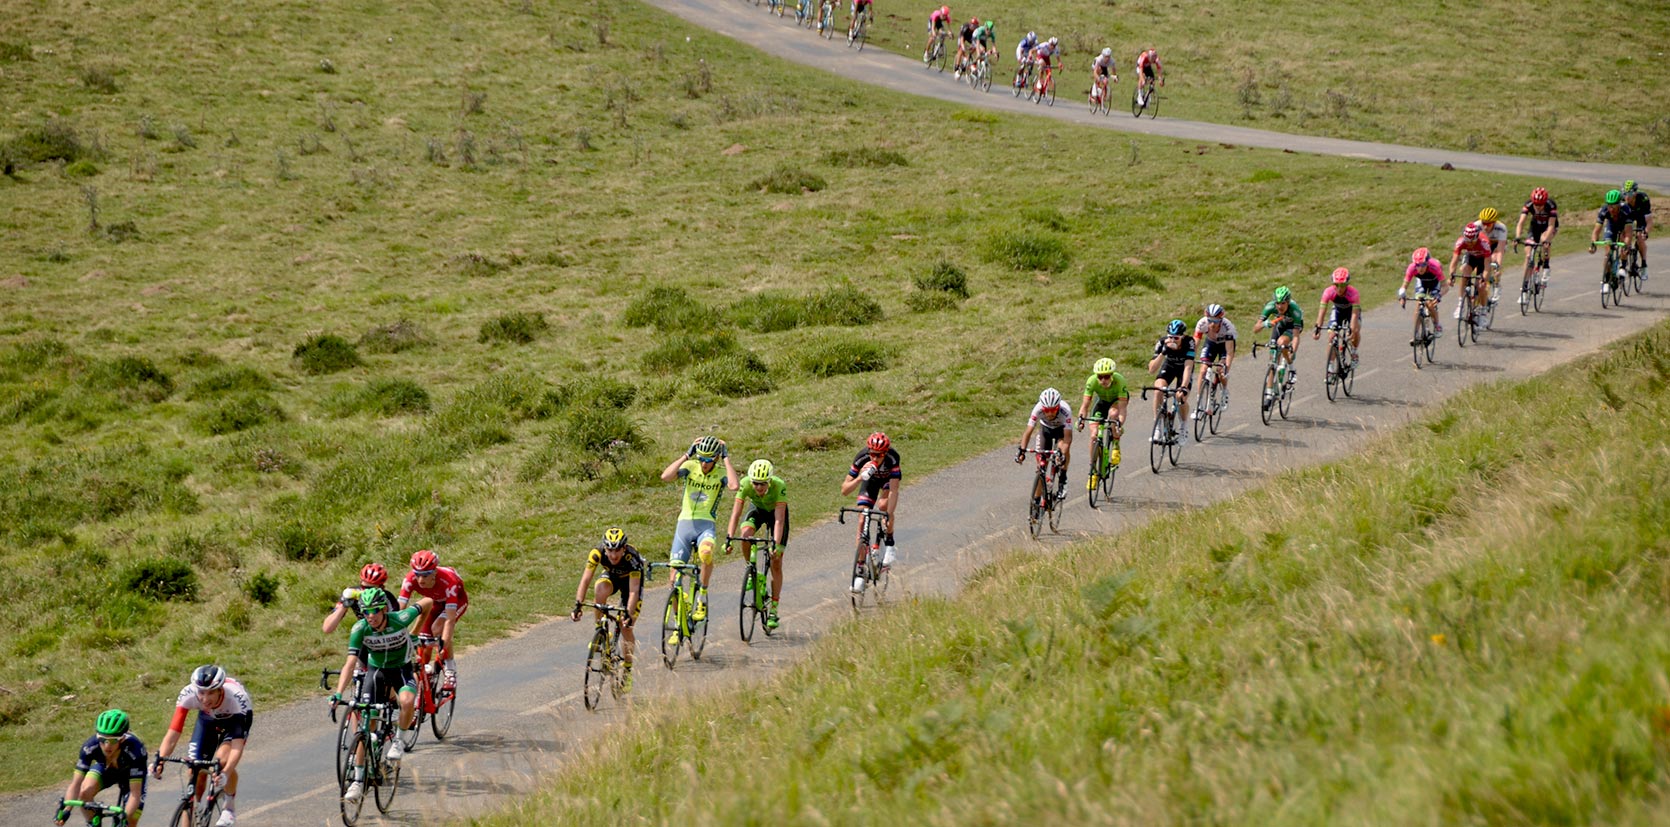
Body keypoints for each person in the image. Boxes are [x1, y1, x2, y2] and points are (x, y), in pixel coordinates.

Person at [332, 590, 432, 804]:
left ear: (384, 609)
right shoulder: (360, 629)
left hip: (401, 670)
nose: (371, 616)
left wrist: (415, 633)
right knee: (365, 726)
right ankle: (358, 781)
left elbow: (428, 601)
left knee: (406, 701)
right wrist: (339, 692)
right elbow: (349, 663)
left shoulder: (400, 619)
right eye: (367, 612)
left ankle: (398, 740)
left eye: (376, 610)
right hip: (376, 673)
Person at [152, 666, 251, 827]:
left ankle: (229, 807)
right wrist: (160, 761)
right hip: (208, 720)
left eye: (211, 692)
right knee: (194, 769)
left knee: (222, 761)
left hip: (234, 721)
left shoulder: (236, 699)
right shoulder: (188, 694)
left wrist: (225, 773)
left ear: (220, 690)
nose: (205, 699)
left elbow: (237, 746)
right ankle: (193, 810)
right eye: (201, 692)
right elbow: (173, 733)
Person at [659, 436, 738, 624]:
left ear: (716, 459)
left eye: (709, 460)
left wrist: (726, 458)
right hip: (684, 525)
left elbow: (734, 486)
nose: (704, 463)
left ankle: (701, 595)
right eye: (701, 458)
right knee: (674, 579)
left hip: (706, 525)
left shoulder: (720, 473)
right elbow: (665, 476)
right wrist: (687, 454)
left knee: (706, 554)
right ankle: (680, 625)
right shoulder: (691, 467)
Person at [570, 528, 644, 689]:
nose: (613, 555)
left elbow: (633, 591)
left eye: (617, 550)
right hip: (612, 577)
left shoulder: (633, 559)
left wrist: (628, 614)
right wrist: (578, 605)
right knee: (599, 589)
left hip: (630, 586)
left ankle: (628, 670)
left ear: (624, 549)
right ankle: (600, 630)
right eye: (610, 550)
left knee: (626, 627)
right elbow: (585, 580)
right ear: (605, 548)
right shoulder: (597, 553)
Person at [726, 459, 790, 630]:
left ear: (769, 481)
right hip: (758, 511)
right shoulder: (745, 484)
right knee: (745, 535)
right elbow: (735, 514)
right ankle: (752, 570)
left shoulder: (779, 486)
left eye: (762, 484)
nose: (759, 488)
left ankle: (774, 611)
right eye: (756, 484)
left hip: (776, 515)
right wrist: (729, 538)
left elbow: (779, 520)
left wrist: (775, 544)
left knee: (776, 563)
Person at [59, 710, 145, 827]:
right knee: (84, 793)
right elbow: (76, 784)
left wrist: (125, 818)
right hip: (106, 768)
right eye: (102, 740)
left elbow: (135, 794)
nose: (107, 745)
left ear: (122, 739)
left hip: (129, 774)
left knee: (130, 821)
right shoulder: (89, 747)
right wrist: (66, 810)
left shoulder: (135, 750)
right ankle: (93, 823)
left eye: (113, 740)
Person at [840, 432, 901, 594]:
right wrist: (860, 478)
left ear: (885, 453)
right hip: (870, 481)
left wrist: (889, 515)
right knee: (862, 519)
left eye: (880, 455)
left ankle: (889, 543)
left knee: (883, 505)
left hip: (887, 481)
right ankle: (860, 569)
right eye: (872, 454)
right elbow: (845, 490)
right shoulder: (862, 458)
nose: (876, 458)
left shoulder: (892, 459)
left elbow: (894, 490)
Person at [397, 550, 468, 689]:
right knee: (423, 640)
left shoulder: (449, 581)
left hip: (456, 600)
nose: (421, 580)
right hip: (435, 602)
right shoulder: (410, 579)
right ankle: (426, 672)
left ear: (434, 572)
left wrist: (444, 644)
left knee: (437, 628)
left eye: (425, 575)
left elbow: (450, 620)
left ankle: (450, 669)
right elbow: (400, 610)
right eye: (418, 575)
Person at [1076, 357, 1129, 480]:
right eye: (1100, 377)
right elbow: (1085, 405)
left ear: (1112, 375)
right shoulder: (1091, 381)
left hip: (1116, 402)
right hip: (1101, 402)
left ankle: (1116, 443)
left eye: (1106, 376)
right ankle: (1093, 469)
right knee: (1094, 435)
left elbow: (1122, 409)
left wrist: (1119, 424)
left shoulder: (1120, 381)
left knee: (1113, 414)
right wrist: (1080, 420)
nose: (1103, 380)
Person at [1014, 388, 1074, 494]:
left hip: (1061, 431)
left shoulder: (1066, 411)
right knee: (1041, 466)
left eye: (1053, 410)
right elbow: (1028, 431)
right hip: (1045, 430)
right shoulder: (1037, 409)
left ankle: (1062, 479)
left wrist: (1062, 453)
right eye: (1047, 410)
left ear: (1058, 407)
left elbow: (1068, 438)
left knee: (1062, 448)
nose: (1050, 413)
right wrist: (1022, 450)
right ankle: (1037, 500)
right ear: (1043, 408)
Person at [1147, 320, 1195, 439]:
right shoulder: (1162, 342)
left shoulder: (1189, 342)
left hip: (1183, 368)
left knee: (1180, 397)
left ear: (1182, 336)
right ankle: (1157, 425)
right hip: (1169, 366)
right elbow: (1151, 369)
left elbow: (1188, 367)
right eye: (1170, 337)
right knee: (1158, 390)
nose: (1173, 340)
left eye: (1176, 338)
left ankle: (1183, 426)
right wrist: (1163, 353)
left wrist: (1183, 386)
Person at [321, 563, 395, 635]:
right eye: (364, 587)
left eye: (371, 589)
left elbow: (396, 622)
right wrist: (343, 606)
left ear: (381, 587)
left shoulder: (387, 597)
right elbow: (327, 628)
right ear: (360, 582)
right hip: (366, 635)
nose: (365, 592)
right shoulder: (351, 593)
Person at [1192, 304, 1237, 414]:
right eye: (1210, 320)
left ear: (1221, 320)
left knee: (1221, 371)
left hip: (1224, 346)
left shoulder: (1228, 327)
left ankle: (1224, 391)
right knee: (1203, 370)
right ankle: (1199, 404)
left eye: (1216, 321)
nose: (1212, 324)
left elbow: (1230, 352)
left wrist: (1226, 368)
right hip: (1211, 344)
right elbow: (1195, 344)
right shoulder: (1202, 323)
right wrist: (1190, 360)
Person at [1253, 286, 1304, 381]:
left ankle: (1291, 368)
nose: (1280, 307)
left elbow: (1296, 335)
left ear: (1288, 302)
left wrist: (1293, 350)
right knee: (1273, 358)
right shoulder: (1270, 306)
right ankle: (1269, 392)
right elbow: (1255, 329)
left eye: (1283, 303)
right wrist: (1265, 324)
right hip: (1280, 326)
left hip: (1292, 327)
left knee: (1281, 342)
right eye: (1277, 303)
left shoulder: (1295, 310)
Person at [1513, 187, 1559, 291]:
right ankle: (1525, 285)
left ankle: (1546, 265)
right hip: (1535, 227)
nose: (1538, 207)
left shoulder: (1551, 205)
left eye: (1540, 205)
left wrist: (1547, 240)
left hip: (1548, 226)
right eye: (1536, 204)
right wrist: (1517, 237)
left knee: (1544, 239)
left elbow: (1551, 225)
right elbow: (1521, 223)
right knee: (1528, 255)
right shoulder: (1528, 204)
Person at [1446, 221, 1494, 321]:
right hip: (1471, 257)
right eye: (1467, 241)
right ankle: (1460, 304)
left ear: (1477, 237)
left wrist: (1483, 279)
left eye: (1472, 241)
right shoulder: (1460, 242)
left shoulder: (1484, 243)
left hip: (1483, 260)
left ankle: (1483, 311)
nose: (1470, 243)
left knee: (1480, 285)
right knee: (1465, 273)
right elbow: (1454, 262)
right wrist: (1451, 276)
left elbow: (1486, 267)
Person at [1314, 267, 1362, 364]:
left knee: (1355, 330)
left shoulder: (1353, 293)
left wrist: (1352, 329)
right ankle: (1330, 368)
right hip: (1337, 311)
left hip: (1351, 312)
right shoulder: (1328, 292)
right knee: (1331, 336)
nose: (1339, 289)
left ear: (1347, 284)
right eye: (1336, 285)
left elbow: (1354, 314)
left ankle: (1354, 351)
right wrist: (1318, 327)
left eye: (1342, 285)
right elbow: (1322, 311)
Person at [1588, 189, 1636, 283]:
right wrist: (1593, 243)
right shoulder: (1604, 210)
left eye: (1613, 206)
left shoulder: (1626, 210)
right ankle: (1606, 278)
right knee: (1607, 250)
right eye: (1609, 205)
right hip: (1611, 225)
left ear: (1619, 204)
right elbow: (1596, 230)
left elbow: (1628, 233)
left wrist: (1626, 245)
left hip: (1624, 226)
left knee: (1624, 241)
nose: (1611, 209)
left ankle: (1623, 265)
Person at [1399, 247, 1445, 337]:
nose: (1420, 268)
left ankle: (1437, 325)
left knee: (1430, 303)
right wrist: (1402, 296)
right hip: (1422, 282)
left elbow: (1445, 286)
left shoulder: (1435, 266)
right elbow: (1404, 286)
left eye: (1423, 265)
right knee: (1418, 302)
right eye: (1417, 265)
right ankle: (1415, 334)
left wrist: (1439, 295)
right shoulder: (1412, 268)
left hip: (1434, 282)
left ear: (1428, 262)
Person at [1476, 207, 1509, 302]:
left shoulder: (1501, 228)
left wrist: (1498, 266)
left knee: (1493, 258)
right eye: (1484, 223)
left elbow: (1500, 250)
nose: (1485, 227)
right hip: (1484, 245)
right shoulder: (1477, 226)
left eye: (1488, 224)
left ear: (1494, 222)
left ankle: (1497, 283)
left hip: (1496, 246)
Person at [1623, 181, 1653, 279]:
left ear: (1635, 193)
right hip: (1629, 217)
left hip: (1641, 216)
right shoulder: (1623, 201)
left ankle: (1644, 265)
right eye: (1625, 193)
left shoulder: (1643, 199)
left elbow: (1649, 221)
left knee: (1640, 238)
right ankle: (1623, 262)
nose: (1627, 196)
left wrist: (1646, 232)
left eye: (1630, 193)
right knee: (1624, 236)